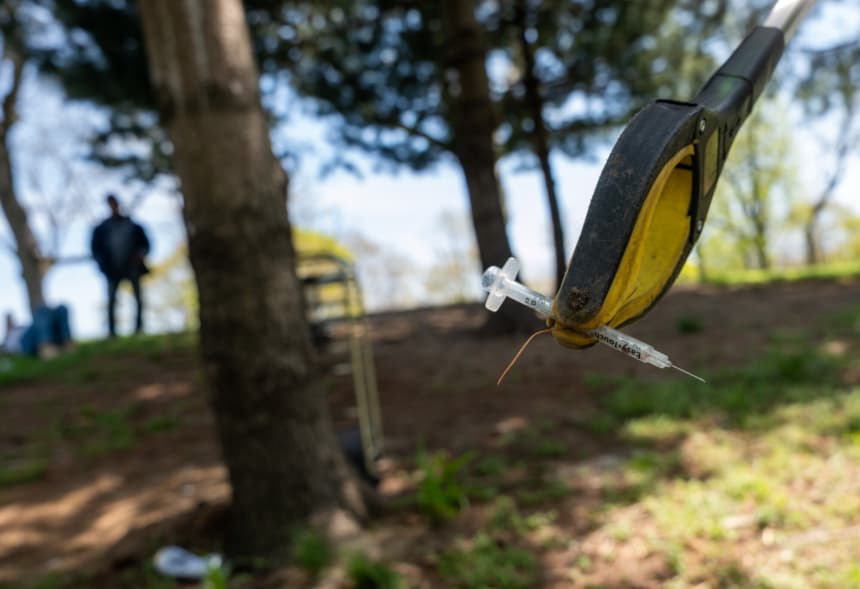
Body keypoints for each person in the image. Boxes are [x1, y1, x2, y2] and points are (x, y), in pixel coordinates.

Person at [91, 194, 151, 337]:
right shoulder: (102, 229)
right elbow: (95, 250)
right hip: (112, 270)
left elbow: (146, 245)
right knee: (112, 300)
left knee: (138, 299)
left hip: (132, 268)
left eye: (114, 203)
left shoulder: (133, 226)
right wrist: (102, 265)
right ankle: (112, 332)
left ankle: (139, 329)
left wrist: (140, 255)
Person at [2, 306, 73, 359]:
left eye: (10, 319)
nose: (10, 322)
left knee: (62, 308)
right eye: (8, 320)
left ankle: (67, 343)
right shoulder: (7, 338)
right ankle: (45, 347)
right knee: (41, 311)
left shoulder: (20, 327)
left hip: (44, 336)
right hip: (26, 344)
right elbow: (6, 350)